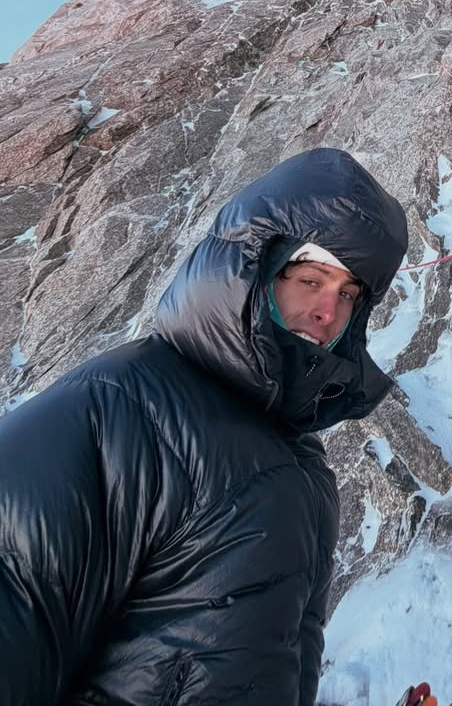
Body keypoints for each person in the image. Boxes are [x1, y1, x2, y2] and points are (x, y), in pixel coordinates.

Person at [0, 146, 409, 706]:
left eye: (348, 295)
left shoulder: (308, 470)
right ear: (256, 268)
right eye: (311, 280)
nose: (328, 312)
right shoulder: (115, 407)